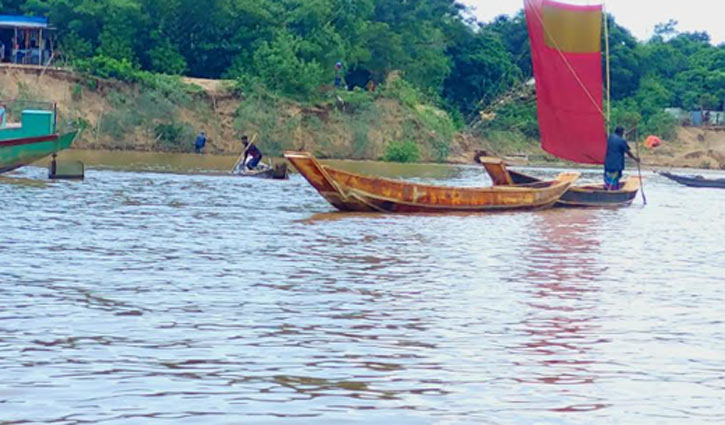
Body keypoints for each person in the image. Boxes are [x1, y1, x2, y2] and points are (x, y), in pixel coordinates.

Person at [604, 126, 639, 190]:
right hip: (616, 165)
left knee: (608, 177)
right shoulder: (621, 141)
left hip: (608, 163)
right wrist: (635, 159)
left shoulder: (610, 138)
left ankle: (608, 188)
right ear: (621, 132)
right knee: (614, 179)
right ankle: (613, 191)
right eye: (623, 132)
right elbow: (628, 152)